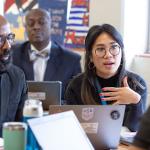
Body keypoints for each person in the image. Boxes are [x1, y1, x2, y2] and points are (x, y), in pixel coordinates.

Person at [64, 24, 147, 131]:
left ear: (121, 52)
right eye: (100, 49)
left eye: (114, 47)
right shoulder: (76, 86)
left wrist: (136, 101)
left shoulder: (137, 83)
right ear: (90, 57)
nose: (108, 55)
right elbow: (71, 128)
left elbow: (136, 132)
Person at [12, 8, 81, 100]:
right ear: (25, 27)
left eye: (42, 22)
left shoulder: (71, 60)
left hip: (57, 113)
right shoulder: (12, 55)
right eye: (31, 23)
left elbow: (77, 99)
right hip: (20, 113)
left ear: (51, 25)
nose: (36, 27)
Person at [0, 15, 28, 137]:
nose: (8, 46)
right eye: (0, 39)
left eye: (9, 38)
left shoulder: (17, 77)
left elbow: (22, 127)